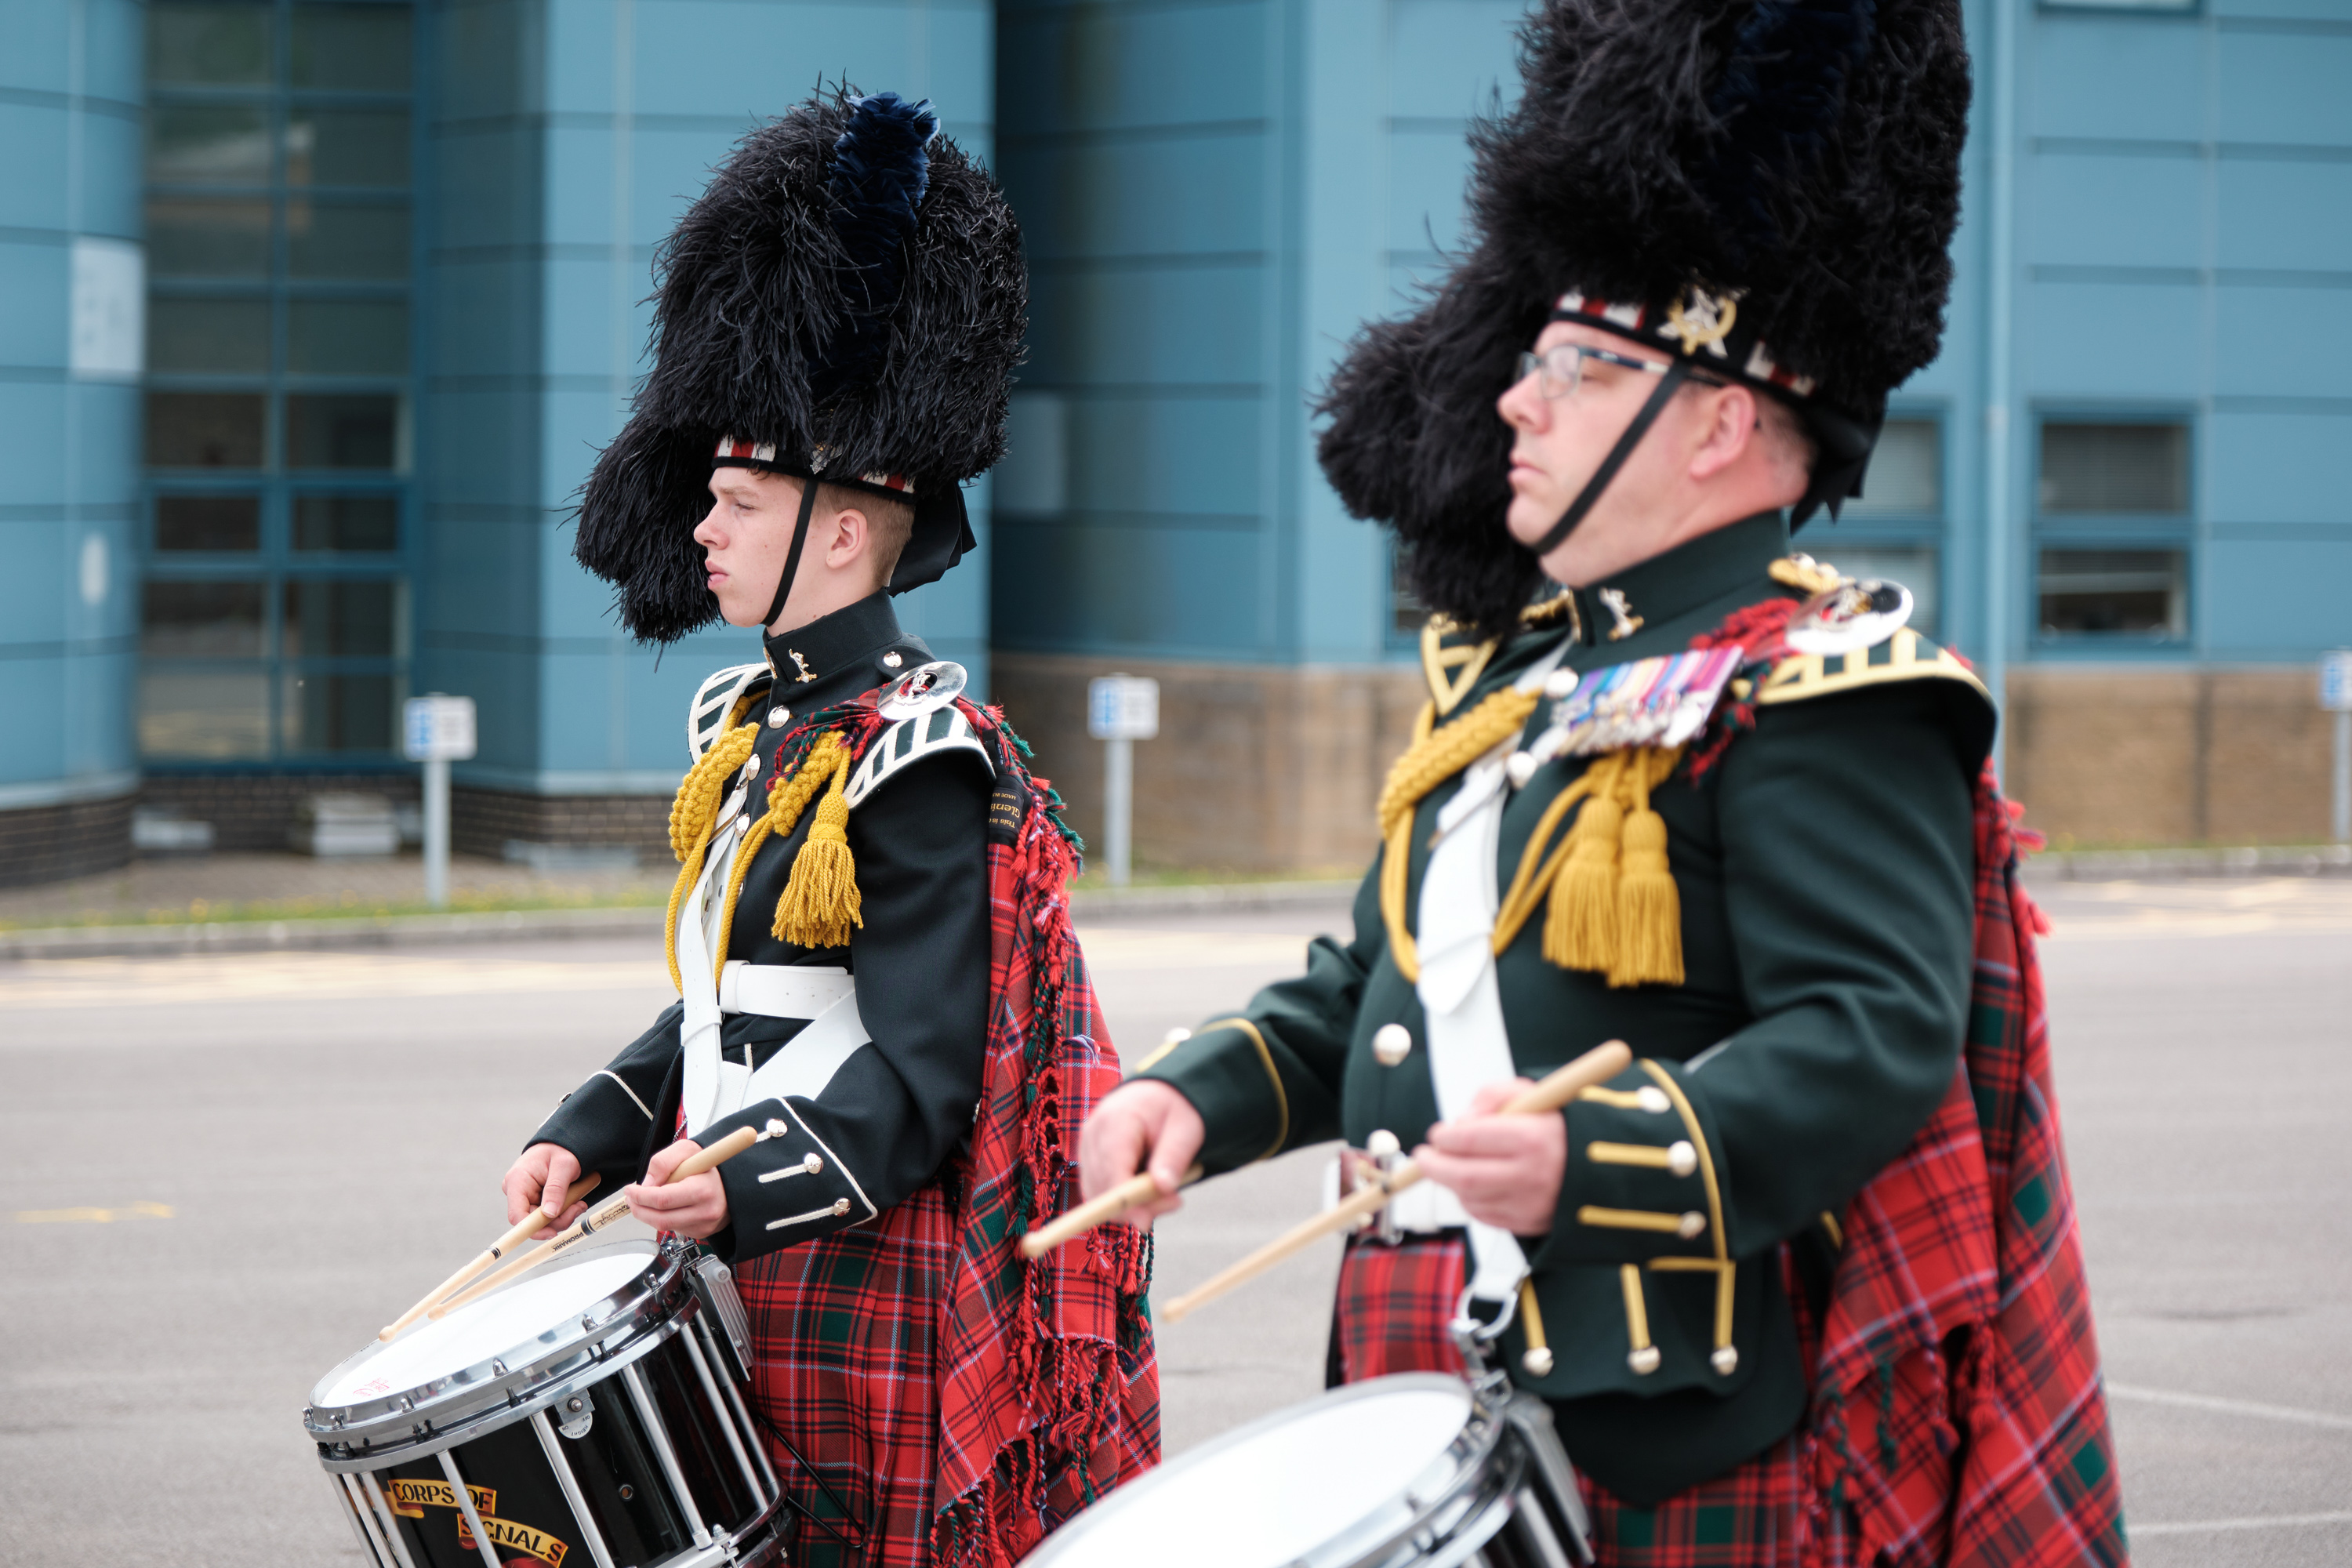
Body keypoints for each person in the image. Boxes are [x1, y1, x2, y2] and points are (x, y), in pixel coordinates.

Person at [1076, 1, 2126, 1563]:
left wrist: (1596, 1159)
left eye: (1572, 365)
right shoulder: (1505, 684)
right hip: (1418, 1373)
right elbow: (1375, 986)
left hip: (1667, 1428)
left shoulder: (1827, 684)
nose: (1513, 396)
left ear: (1715, 420)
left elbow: (1871, 1037)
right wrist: (1191, 1094)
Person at [501, 88, 1157, 1568]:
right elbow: (732, 1009)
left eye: (736, 502)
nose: (703, 530)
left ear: (845, 528)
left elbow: (923, 1084)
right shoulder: (756, 726)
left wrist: (740, 1182)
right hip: (742, 1254)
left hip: (860, 1268)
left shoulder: (921, 757)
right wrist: (592, 1130)